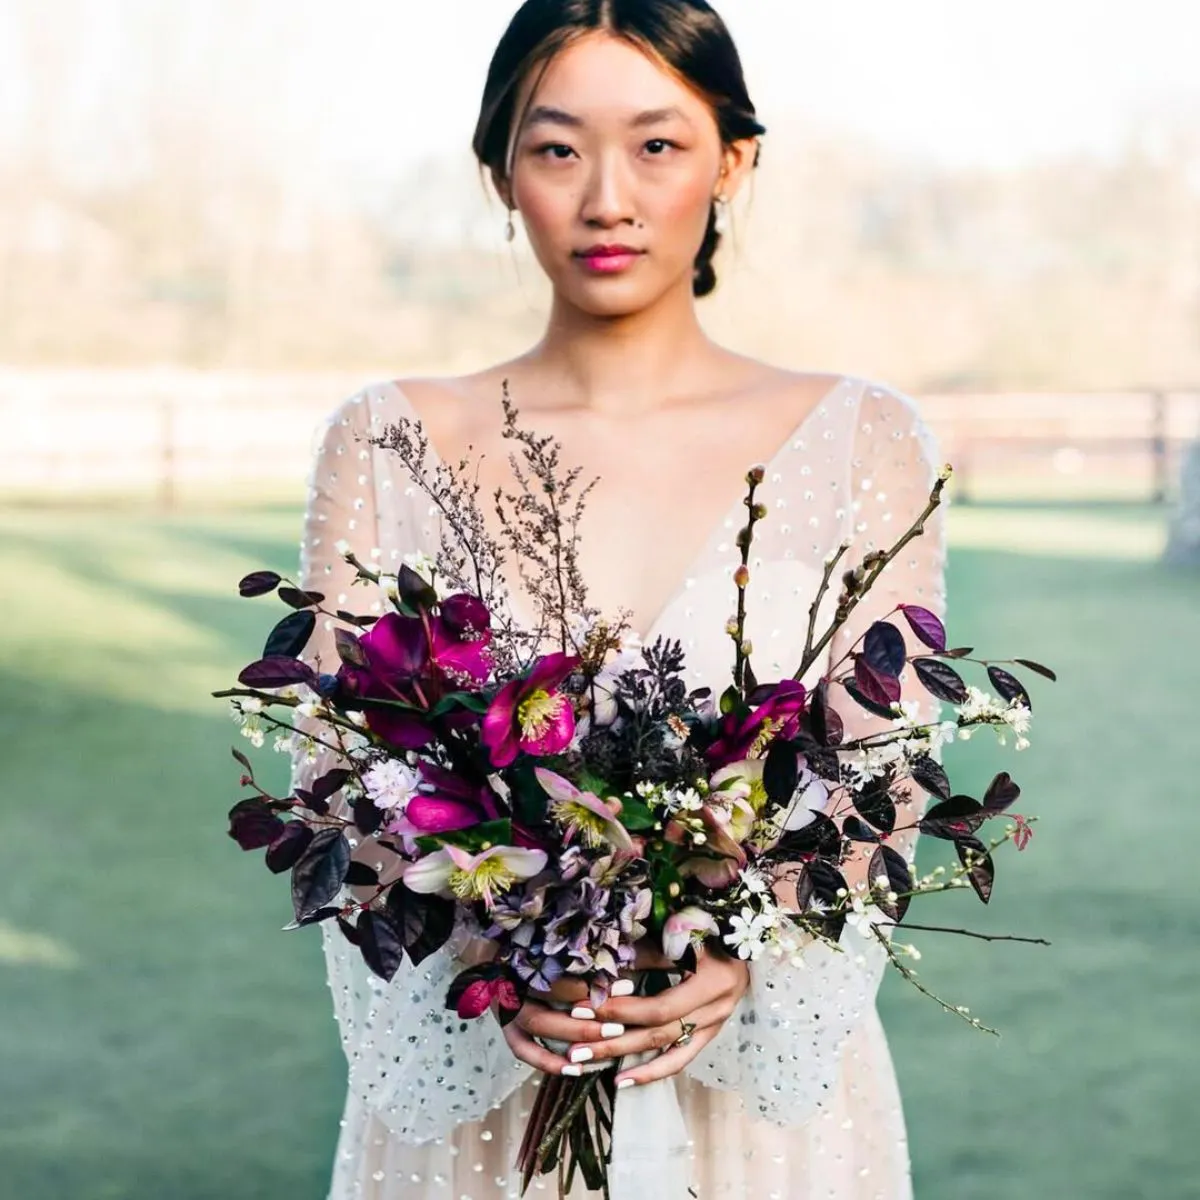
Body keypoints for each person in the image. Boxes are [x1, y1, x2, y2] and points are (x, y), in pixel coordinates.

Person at [294, 2, 947, 1196]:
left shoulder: (862, 440)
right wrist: (497, 941)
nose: (608, 197)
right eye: (556, 148)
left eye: (656, 143)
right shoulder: (389, 439)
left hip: (765, 1120)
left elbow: (883, 774)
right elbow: (333, 785)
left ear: (732, 161)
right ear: (500, 171)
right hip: (489, 1102)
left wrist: (750, 957)